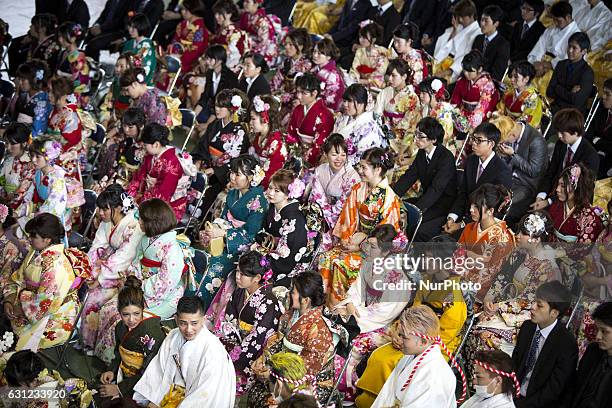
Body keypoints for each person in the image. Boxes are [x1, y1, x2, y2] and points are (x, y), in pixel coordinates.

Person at [332, 224, 412, 400]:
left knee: (353, 344)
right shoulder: (369, 263)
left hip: (381, 325)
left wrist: (353, 312)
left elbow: (385, 313)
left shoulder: (399, 279)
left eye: (373, 246)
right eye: (368, 244)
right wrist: (350, 304)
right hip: (359, 314)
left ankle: (347, 391)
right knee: (331, 319)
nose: (367, 249)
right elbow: (356, 289)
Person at [248, 272, 346, 406]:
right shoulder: (291, 314)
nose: (289, 294)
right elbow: (279, 341)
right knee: (257, 388)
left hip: (308, 383)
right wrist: (264, 360)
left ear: (305, 300)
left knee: (266, 399)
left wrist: (272, 373)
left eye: (293, 292)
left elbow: (308, 368)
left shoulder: (320, 330)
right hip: (286, 371)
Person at [319, 147, 402, 301]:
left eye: (364, 167)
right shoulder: (359, 188)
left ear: (377, 169)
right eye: (360, 166)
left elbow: (386, 235)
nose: (360, 171)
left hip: (373, 251)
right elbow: (348, 216)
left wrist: (359, 246)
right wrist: (346, 239)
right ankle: (323, 301)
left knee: (340, 263)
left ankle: (340, 307)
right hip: (354, 240)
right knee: (326, 257)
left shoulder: (389, 199)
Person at [475, 212, 562, 356]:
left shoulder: (548, 267)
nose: (517, 235)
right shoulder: (519, 252)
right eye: (519, 231)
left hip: (525, 314)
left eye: (524, 233)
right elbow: (502, 278)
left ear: (536, 239)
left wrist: (498, 307)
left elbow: (529, 300)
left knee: (485, 335)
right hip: (503, 303)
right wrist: (489, 299)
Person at [2, 213, 91, 351]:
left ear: (47, 240)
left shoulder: (55, 266)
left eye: (34, 236)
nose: (29, 239)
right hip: (30, 302)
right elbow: (18, 278)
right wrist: (10, 297)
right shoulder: (36, 251)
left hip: (53, 315)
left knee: (10, 335)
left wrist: (19, 307)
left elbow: (45, 303)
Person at [133, 296, 236, 407]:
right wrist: (153, 399)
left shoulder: (213, 350)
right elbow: (159, 370)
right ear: (176, 319)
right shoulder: (173, 336)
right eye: (183, 323)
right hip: (171, 394)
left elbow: (206, 394)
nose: (188, 329)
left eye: (194, 323)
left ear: (203, 319)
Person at [81, 185, 144, 363]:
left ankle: (96, 347)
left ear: (117, 208)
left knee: (94, 299)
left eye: (104, 209)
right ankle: (86, 341)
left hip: (124, 271)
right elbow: (97, 245)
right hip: (109, 262)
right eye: (100, 208)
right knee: (84, 287)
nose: (101, 212)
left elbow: (125, 256)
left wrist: (100, 279)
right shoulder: (107, 221)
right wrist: (88, 268)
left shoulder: (133, 226)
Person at [196, 155, 268, 308]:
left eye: (238, 174)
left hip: (240, 248)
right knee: (197, 257)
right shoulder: (234, 193)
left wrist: (223, 234)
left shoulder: (258, 201)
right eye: (232, 172)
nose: (232, 177)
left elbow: (251, 235)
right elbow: (223, 218)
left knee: (215, 267)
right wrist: (212, 230)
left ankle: (201, 306)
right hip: (224, 238)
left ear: (250, 177)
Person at [218, 251, 281, 394]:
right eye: (238, 271)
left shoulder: (269, 303)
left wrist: (235, 353)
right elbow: (230, 319)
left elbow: (258, 338)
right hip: (237, 340)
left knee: (225, 377)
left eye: (243, 274)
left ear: (257, 278)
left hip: (255, 351)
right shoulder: (240, 291)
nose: (237, 277)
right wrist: (227, 341)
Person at [372, 305, 459, 407]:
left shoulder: (434, 379)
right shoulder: (412, 355)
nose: (399, 340)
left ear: (423, 341)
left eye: (404, 337)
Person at [98, 276, 166, 401]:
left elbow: (150, 371)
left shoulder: (152, 334)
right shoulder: (120, 327)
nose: (131, 320)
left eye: (136, 313)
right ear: (119, 312)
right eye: (125, 314)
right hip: (126, 375)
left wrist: (119, 388)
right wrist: (112, 370)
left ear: (142, 309)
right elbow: (119, 352)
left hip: (146, 382)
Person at [512, 281, 578, 408]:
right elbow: (516, 363)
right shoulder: (527, 327)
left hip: (539, 403)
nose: (532, 307)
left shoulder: (566, 343)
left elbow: (553, 390)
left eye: (539, 305)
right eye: (534, 302)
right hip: (516, 394)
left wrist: (520, 405)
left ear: (554, 313)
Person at [393, 117, 457, 241]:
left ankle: (410, 253)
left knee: (412, 222)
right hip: (428, 198)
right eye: (415, 134)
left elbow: (436, 189)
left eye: (420, 136)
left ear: (433, 139)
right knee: (398, 208)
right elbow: (409, 176)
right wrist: (391, 195)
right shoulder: (422, 153)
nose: (415, 139)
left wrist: (417, 210)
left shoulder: (446, 158)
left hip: (443, 203)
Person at [445, 123, 513, 233]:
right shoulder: (471, 160)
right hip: (462, 214)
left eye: (479, 140)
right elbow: (463, 193)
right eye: (473, 139)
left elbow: (492, 210)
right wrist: (452, 217)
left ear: (491, 144)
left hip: (481, 226)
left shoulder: (502, 171)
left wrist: (462, 225)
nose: (473, 144)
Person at [127, 199, 188, 320]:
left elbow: (166, 282)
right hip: (142, 287)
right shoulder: (145, 239)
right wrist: (134, 278)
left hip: (165, 297)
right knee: (111, 310)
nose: (139, 221)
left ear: (153, 222)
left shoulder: (172, 249)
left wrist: (141, 285)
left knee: (131, 321)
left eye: (142, 219)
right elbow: (135, 261)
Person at [532, 108, 600, 210]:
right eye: (558, 132)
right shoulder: (561, 144)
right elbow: (551, 172)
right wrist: (541, 196)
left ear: (576, 133)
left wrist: (549, 201)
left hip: (573, 201)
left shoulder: (591, 156)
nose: (559, 136)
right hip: (554, 191)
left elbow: (581, 191)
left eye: (563, 133)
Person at [458, 184, 515, 301]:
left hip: (478, 292)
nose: (471, 209)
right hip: (459, 278)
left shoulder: (503, 239)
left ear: (490, 211)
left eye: (477, 206)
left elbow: (491, 275)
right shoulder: (469, 227)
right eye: (472, 205)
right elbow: (457, 254)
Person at [127, 123, 195, 221]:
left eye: (146, 145)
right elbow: (139, 177)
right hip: (148, 197)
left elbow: (163, 196)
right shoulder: (150, 156)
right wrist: (130, 195)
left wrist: (139, 202)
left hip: (167, 208)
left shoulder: (172, 165)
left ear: (156, 144)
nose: (144, 147)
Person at [252, 169, 308, 285]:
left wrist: (262, 261)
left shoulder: (294, 218)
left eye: (277, 191)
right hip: (269, 254)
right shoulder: (274, 207)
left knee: (250, 273)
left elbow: (289, 256)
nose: (271, 193)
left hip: (285, 266)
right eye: (270, 188)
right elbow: (262, 234)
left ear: (288, 194)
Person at [305, 134, 361, 251]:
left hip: (342, 220)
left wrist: (328, 218)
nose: (339, 159)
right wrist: (321, 216)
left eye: (343, 155)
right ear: (325, 154)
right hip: (321, 216)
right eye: (334, 154)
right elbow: (316, 196)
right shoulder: (320, 170)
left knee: (323, 244)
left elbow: (345, 206)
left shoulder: (352, 176)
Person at [495, 117, 548, 226]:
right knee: (487, 195)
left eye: (505, 141)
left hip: (526, 185)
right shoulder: (511, 130)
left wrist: (513, 155)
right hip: (508, 179)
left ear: (512, 135)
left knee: (502, 207)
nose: (504, 143)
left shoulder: (536, 141)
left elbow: (534, 171)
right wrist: (504, 156)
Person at [47, 77, 87, 215]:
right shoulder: (58, 111)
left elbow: (69, 141)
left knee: (63, 195)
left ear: (62, 95)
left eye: (52, 92)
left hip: (65, 159)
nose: (49, 95)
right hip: (55, 153)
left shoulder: (70, 115)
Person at [564, 301, 612, 408]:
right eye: (596, 329)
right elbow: (575, 385)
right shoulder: (593, 350)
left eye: (604, 331)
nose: (598, 336)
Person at [527, 1, 580, 96]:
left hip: (555, 69)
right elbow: (540, 46)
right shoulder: (551, 29)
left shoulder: (576, 35)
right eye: (554, 20)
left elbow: (568, 58)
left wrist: (546, 65)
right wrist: (535, 62)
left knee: (541, 87)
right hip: (540, 63)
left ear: (568, 17)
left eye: (558, 20)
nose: (555, 23)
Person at [17, 139, 69, 232]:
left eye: (37, 156)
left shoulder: (57, 179)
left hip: (48, 223)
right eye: (32, 156)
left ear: (48, 157)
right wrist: (19, 212)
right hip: (37, 215)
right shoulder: (38, 172)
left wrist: (30, 219)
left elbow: (52, 208)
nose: (33, 160)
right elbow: (29, 196)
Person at [373, 58, 421, 157]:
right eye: (389, 75)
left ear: (404, 76)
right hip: (382, 133)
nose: (390, 79)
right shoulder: (386, 91)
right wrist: (383, 130)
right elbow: (377, 114)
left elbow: (411, 127)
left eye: (393, 76)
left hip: (401, 141)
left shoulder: (412, 98)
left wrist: (400, 150)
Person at [547, 163, 604, 244]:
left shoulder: (590, 218)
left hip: (569, 255)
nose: (557, 189)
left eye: (563, 186)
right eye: (558, 184)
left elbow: (583, 248)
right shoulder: (557, 205)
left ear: (576, 188)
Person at [286, 73, 335, 168]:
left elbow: (319, 144)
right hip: (298, 152)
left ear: (315, 93)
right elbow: (291, 133)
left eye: (304, 93)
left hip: (313, 158)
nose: (299, 96)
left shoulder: (325, 116)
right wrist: (294, 152)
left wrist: (304, 160)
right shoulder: (298, 109)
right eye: (298, 92)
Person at [353, 321, 406, 407]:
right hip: (365, 397)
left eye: (404, 337)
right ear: (395, 328)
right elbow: (361, 368)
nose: (398, 339)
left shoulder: (407, 360)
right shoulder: (383, 347)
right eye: (398, 334)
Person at [334, 84, 387, 166]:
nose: (345, 104)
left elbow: (362, 158)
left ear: (361, 104)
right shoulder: (342, 118)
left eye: (349, 101)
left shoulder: (369, 127)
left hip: (353, 168)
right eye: (344, 101)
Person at [418, 76, 469, 157]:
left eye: (424, 93)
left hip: (444, 148)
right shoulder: (426, 108)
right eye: (420, 93)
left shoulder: (444, 110)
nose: (420, 96)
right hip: (428, 143)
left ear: (434, 93)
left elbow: (445, 136)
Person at [546, 32, 595, 114]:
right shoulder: (561, 64)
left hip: (572, 115)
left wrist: (557, 88)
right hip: (555, 108)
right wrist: (569, 91)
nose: (569, 50)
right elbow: (549, 92)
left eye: (574, 48)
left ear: (583, 51)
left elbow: (576, 101)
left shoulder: (587, 72)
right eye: (569, 46)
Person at [450, 50, 500, 131]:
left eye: (469, 71)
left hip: (478, 120)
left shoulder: (488, 85)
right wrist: (453, 113)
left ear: (480, 68)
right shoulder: (462, 80)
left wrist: (468, 124)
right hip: (460, 115)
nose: (466, 73)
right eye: (464, 70)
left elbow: (481, 111)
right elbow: (455, 101)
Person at [434, 0, 482, 83]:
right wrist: (454, 31)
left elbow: (466, 56)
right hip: (443, 62)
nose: (460, 19)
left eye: (463, 17)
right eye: (459, 16)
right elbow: (445, 44)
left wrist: (449, 71)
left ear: (472, 16)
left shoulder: (477, 33)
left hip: (455, 70)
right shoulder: (459, 27)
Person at [193, 45, 239, 129]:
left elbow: (223, 104)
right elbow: (205, 96)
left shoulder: (230, 78)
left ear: (219, 61)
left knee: (202, 133)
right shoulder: (210, 73)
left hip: (224, 112)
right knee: (193, 127)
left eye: (210, 59)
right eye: (207, 58)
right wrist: (193, 115)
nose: (207, 61)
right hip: (211, 108)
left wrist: (207, 124)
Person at [270, 28, 313, 119]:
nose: (286, 47)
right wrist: (271, 93)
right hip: (280, 96)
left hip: (295, 101)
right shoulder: (286, 62)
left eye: (291, 45)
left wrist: (279, 98)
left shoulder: (306, 65)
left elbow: (298, 92)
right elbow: (276, 80)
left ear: (300, 46)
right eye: (286, 44)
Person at [249, 95, 287, 187]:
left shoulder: (276, 143)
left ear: (265, 118)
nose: (250, 122)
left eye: (253, 119)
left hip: (269, 186)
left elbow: (271, 176)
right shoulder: (258, 135)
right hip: (255, 179)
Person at [0, 123, 35, 211]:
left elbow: (21, 193)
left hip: (18, 208)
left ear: (23, 144)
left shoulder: (30, 165)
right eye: (7, 143)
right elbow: (1, 180)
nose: (8, 148)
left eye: (12, 144)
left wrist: (6, 201)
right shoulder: (8, 158)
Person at [167, 0, 209, 75]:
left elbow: (195, 50)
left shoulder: (200, 29)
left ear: (191, 10)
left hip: (188, 63)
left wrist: (180, 58)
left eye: (184, 9)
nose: (182, 12)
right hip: (175, 55)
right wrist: (172, 52)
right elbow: (175, 40)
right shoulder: (182, 24)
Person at [498, 61, 544, 128]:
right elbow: (500, 107)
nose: (512, 79)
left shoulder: (533, 97)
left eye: (516, 77)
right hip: (505, 123)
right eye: (511, 76)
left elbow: (526, 122)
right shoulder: (510, 91)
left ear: (526, 79)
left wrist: (507, 124)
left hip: (519, 129)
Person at [13, 60, 52, 137]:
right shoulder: (23, 95)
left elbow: (38, 132)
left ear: (35, 79)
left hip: (27, 141)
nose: (20, 83)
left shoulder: (43, 102)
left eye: (23, 79)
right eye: (19, 79)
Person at [471, 5, 510, 82]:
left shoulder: (503, 45)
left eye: (486, 21)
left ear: (496, 23)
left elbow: (497, 74)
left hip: (487, 85)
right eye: (482, 20)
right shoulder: (478, 39)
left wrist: (478, 78)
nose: (482, 24)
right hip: (471, 79)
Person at [210, 0, 250, 71]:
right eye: (215, 13)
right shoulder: (221, 29)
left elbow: (234, 57)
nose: (216, 16)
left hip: (228, 68)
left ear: (229, 14)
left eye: (219, 13)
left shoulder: (235, 33)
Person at [584, 77, 611, 179]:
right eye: (603, 93)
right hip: (593, 151)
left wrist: (598, 142)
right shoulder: (599, 106)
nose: (603, 97)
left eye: (607, 94)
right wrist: (596, 142)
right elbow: (588, 130)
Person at [350, 22, 390, 89]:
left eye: (364, 37)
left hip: (375, 85)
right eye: (360, 37)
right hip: (360, 82)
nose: (361, 40)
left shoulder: (382, 52)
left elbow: (380, 73)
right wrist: (355, 78)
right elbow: (354, 69)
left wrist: (363, 81)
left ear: (373, 39)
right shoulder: (360, 51)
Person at [56, 22, 91, 97]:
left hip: (71, 96)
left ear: (73, 38)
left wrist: (67, 82)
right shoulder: (63, 52)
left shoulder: (79, 58)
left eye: (63, 36)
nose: (60, 39)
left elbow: (81, 83)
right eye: (59, 36)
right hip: (59, 91)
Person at [239, 0, 279, 65]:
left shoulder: (262, 20)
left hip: (263, 48)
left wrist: (247, 39)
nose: (244, 4)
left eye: (248, 2)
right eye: (244, 1)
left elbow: (264, 42)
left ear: (256, 4)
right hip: (249, 43)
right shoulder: (246, 15)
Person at [121, 14, 156, 86]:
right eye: (130, 26)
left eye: (134, 27)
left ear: (141, 27)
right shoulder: (129, 43)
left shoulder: (146, 46)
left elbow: (143, 69)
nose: (130, 30)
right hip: (123, 77)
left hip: (135, 83)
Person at [312, 38, 346, 111]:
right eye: (314, 51)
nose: (315, 55)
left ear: (329, 56)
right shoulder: (315, 69)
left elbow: (330, 101)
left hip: (326, 110)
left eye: (319, 53)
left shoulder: (333, 76)